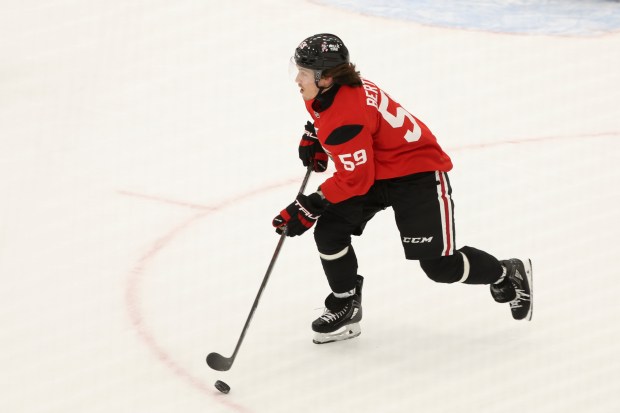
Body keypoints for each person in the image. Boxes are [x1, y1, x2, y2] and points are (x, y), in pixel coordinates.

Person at [272, 33, 533, 344]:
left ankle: (507, 273)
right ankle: (346, 304)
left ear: (326, 77)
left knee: (439, 266)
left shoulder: (345, 117)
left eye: (303, 72)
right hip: (376, 168)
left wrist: (309, 204)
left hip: (416, 173)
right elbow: (345, 132)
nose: (297, 79)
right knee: (330, 230)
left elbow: (355, 178)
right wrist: (316, 135)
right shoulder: (334, 87)